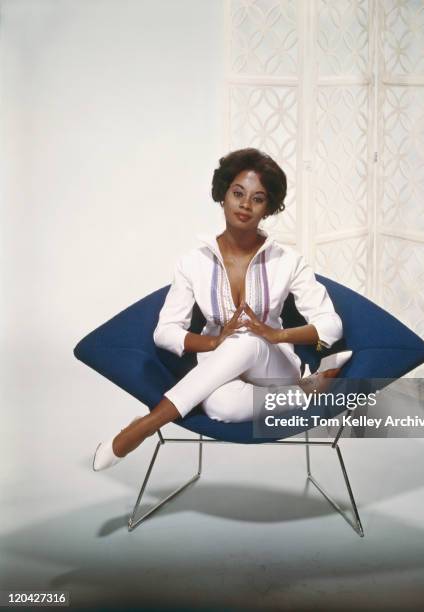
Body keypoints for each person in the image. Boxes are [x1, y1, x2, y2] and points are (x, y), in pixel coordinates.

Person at [93, 148, 352, 471]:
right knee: (220, 407)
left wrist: (275, 333)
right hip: (219, 366)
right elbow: (166, 332)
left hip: (273, 366)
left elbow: (331, 325)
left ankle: (142, 427)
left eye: (257, 198)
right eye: (238, 193)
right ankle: (303, 393)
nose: (245, 204)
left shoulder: (288, 261)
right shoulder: (193, 263)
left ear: (268, 207)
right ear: (223, 195)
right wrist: (214, 342)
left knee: (245, 340)